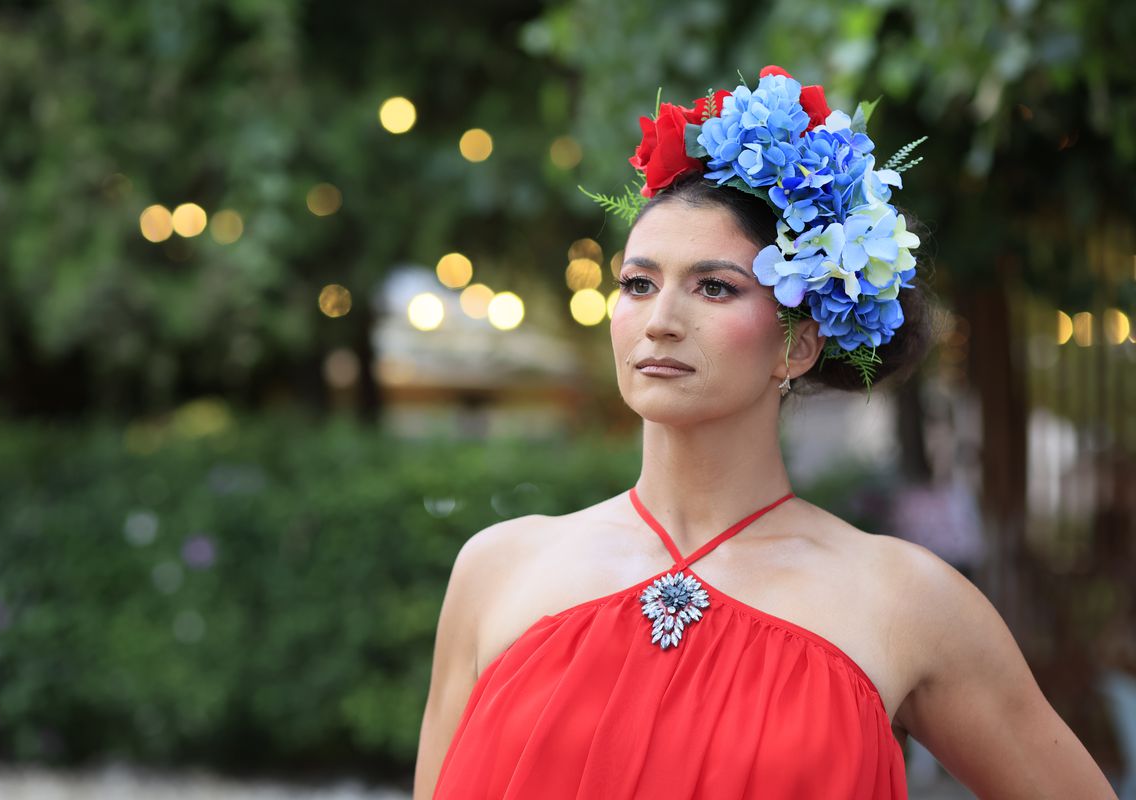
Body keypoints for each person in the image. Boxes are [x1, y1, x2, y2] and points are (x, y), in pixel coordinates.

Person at [413, 67, 1117, 799]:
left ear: (798, 344)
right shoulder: (496, 569)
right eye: (639, 284)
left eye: (714, 287)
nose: (660, 321)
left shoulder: (904, 601)